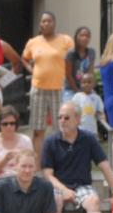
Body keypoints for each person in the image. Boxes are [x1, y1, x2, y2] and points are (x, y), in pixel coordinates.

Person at [41, 102, 113, 213]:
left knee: (94, 201)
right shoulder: (50, 141)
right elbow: (47, 175)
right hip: (58, 186)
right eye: (60, 117)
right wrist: (64, 190)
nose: (62, 121)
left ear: (77, 119)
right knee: (55, 200)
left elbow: (104, 166)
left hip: (82, 186)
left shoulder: (88, 138)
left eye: (66, 117)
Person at [21, 12, 75, 165]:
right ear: (40, 24)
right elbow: (24, 59)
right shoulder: (33, 42)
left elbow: (73, 59)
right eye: (43, 21)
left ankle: (60, 162)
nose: (46, 24)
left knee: (61, 128)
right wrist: (32, 71)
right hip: (38, 89)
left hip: (59, 89)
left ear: (55, 23)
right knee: (38, 129)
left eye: (49, 21)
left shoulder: (65, 40)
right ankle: (37, 165)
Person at [0, 105, 33, 193]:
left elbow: (32, 167)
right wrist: (5, 160)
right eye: (5, 124)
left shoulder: (25, 141)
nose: (9, 126)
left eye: (12, 123)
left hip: (22, 182)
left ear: (16, 124)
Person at [63, 26, 96, 102]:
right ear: (76, 37)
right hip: (71, 90)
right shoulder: (70, 53)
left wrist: (90, 88)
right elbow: (68, 75)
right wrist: (78, 91)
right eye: (82, 35)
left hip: (86, 88)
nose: (85, 38)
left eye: (87, 36)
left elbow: (91, 71)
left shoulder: (91, 52)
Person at [71, 73, 105, 138]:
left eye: (89, 82)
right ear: (80, 84)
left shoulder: (96, 98)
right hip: (79, 130)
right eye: (84, 82)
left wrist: (102, 117)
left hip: (92, 130)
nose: (86, 84)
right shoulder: (77, 96)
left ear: (94, 84)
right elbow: (72, 110)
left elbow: (100, 112)